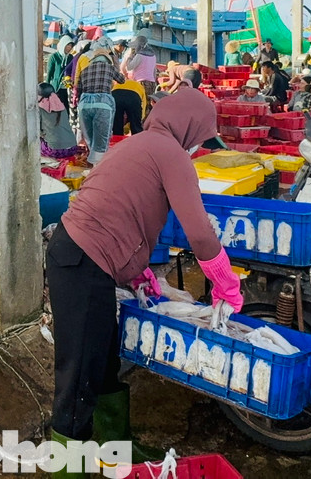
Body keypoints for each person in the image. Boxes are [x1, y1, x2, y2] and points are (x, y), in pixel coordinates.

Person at [47, 90, 242, 462]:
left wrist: (135, 273)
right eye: (200, 136)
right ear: (189, 126)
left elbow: (122, 207)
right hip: (84, 262)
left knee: (103, 361)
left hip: (76, 255)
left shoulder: (137, 144)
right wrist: (225, 283)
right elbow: (199, 233)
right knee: (78, 376)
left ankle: (116, 451)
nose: (198, 146)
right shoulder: (171, 154)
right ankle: (69, 468)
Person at [76, 39, 119, 165]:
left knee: (91, 139)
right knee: (101, 141)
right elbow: (121, 80)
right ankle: (99, 169)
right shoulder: (109, 68)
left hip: (84, 106)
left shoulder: (85, 70)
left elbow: (78, 89)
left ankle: (92, 168)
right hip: (103, 104)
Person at [38, 83, 79, 159]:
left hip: (54, 150)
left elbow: (37, 131)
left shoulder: (39, 108)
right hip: (72, 148)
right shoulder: (62, 106)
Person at [121, 31, 158, 97]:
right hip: (152, 83)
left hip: (141, 82)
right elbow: (154, 72)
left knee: (140, 103)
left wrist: (129, 58)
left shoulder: (139, 56)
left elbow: (129, 67)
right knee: (148, 104)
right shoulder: (153, 56)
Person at [46, 36, 74, 107]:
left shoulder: (71, 58)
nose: (69, 48)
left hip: (67, 89)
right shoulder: (54, 57)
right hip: (57, 88)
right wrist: (47, 90)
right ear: (63, 45)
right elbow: (49, 74)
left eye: (71, 46)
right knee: (57, 109)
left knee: (67, 110)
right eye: (68, 45)